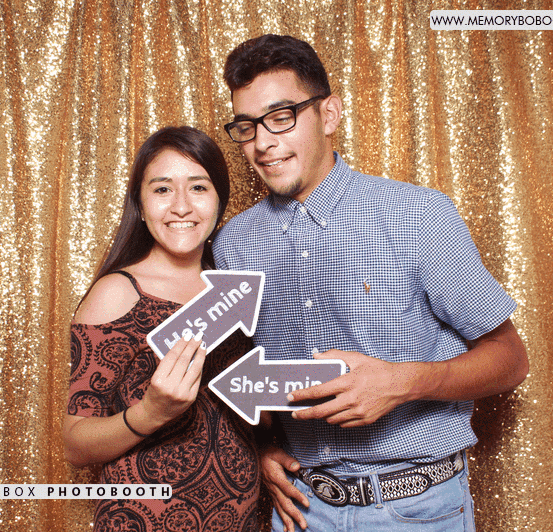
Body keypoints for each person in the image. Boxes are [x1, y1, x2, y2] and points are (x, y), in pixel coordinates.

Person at [213, 35, 529, 532]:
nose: (263, 142)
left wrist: (403, 382)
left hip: (417, 509)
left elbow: (510, 359)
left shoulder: (418, 217)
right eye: (247, 126)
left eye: (281, 117)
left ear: (329, 114)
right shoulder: (233, 244)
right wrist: (262, 446)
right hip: (301, 509)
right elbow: (244, 377)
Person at [63, 126, 260, 531]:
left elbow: (244, 414)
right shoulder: (118, 293)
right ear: (140, 202)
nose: (182, 207)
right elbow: (76, 445)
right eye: (163, 189)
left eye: (199, 188)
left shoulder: (237, 288)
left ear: (220, 199)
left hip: (240, 519)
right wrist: (150, 413)